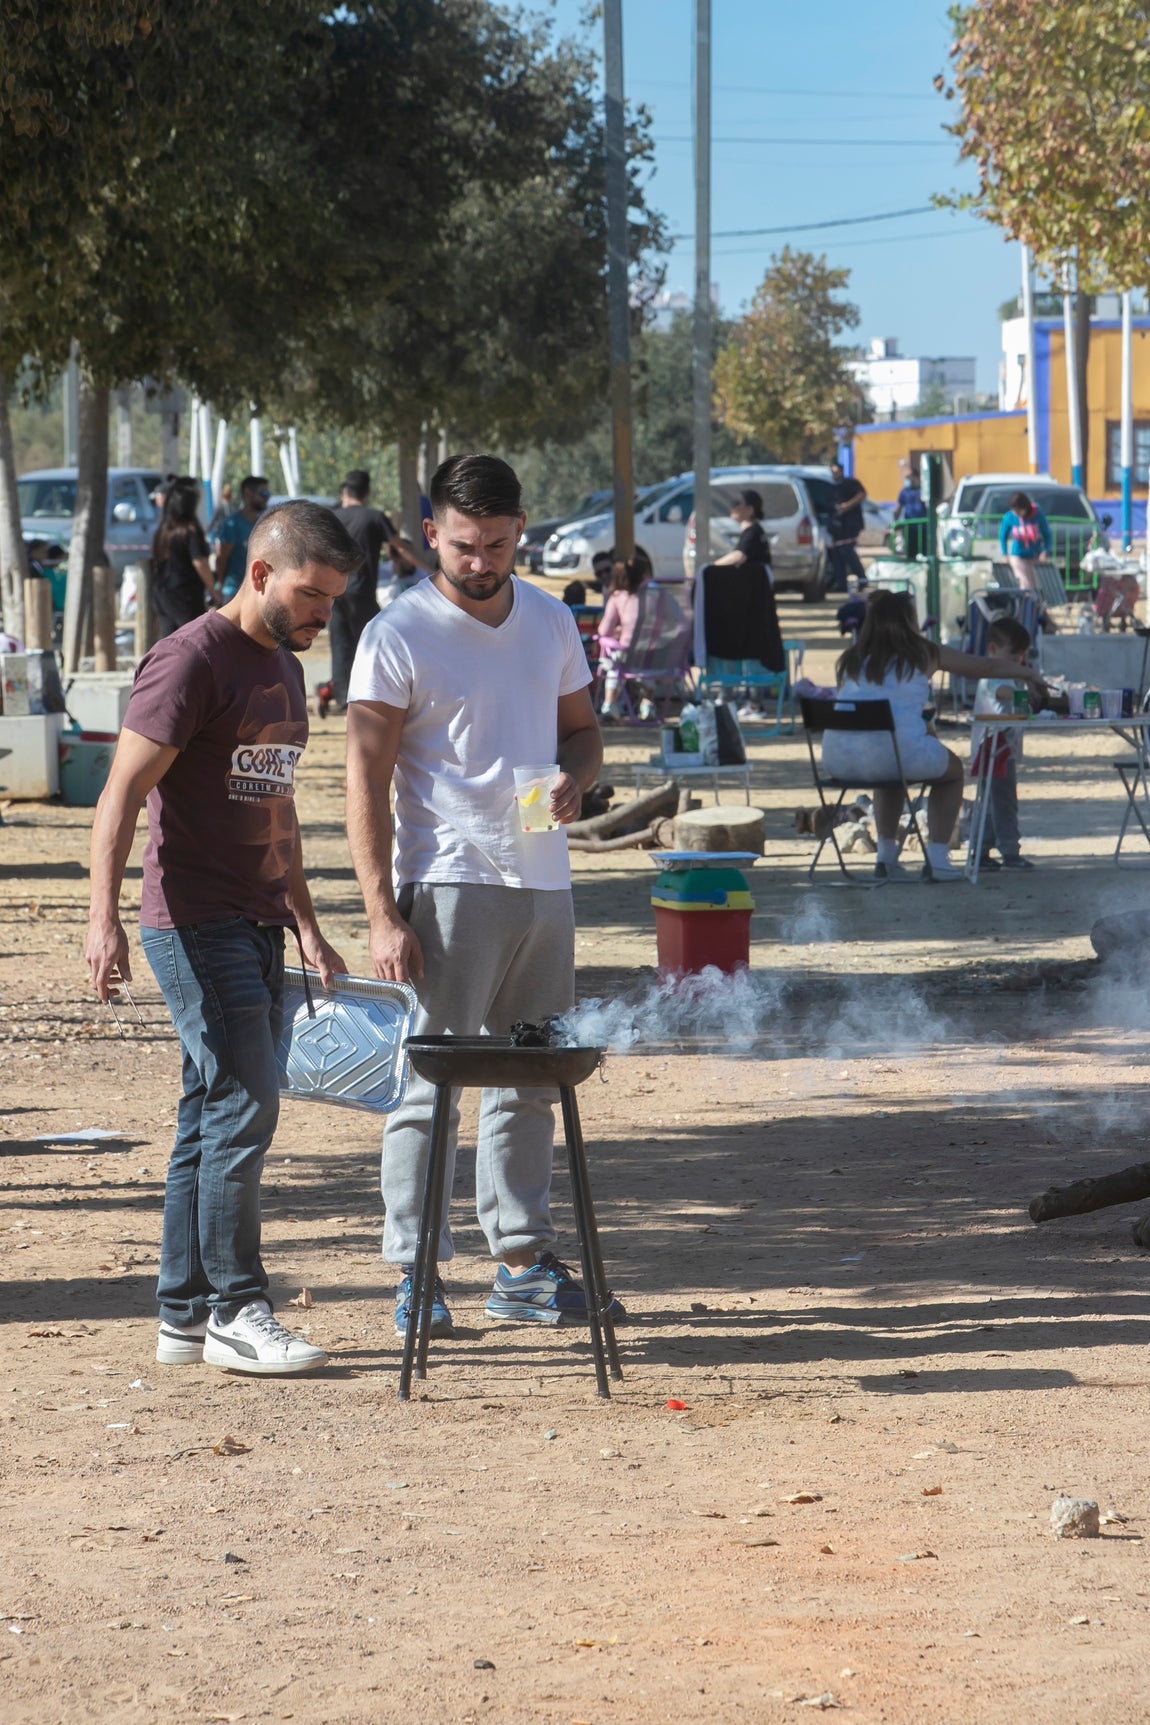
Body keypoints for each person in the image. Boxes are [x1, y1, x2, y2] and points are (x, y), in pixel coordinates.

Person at [85, 501, 362, 1374]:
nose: (323, 615)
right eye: (312, 596)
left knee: (209, 1114)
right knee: (247, 1102)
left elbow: (277, 811)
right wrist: (102, 923)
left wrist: (308, 925)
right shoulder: (189, 659)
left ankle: (183, 1315)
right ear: (258, 574)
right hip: (194, 920)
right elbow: (120, 795)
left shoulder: (282, 667)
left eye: (333, 601)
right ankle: (238, 1308)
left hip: (258, 920)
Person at [345, 452, 618, 1337]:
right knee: (430, 1083)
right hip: (449, 880)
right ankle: (415, 1273)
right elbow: (362, 778)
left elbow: (583, 735)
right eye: (463, 545)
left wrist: (578, 780)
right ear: (431, 534)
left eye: (497, 544)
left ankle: (523, 1265)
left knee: (530, 1081)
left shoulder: (548, 619)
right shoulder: (398, 632)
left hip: (544, 878)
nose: (480, 561)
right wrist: (383, 909)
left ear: (521, 533)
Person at [823, 589, 1046, 882]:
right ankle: (938, 860)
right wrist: (1029, 675)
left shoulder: (851, 659)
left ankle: (886, 858)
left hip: (838, 758)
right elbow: (986, 667)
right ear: (909, 621)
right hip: (894, 752)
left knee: (888, 772)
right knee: (952, 772)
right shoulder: (924, 653)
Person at [328, 470, 434, 715]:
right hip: (362, 590)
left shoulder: (333, 517)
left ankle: (342, 698)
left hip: (334, 593)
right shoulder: (374, 517)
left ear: (346, 491)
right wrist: (430, 571)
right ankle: (369, 694)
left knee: (340, 644)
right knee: (373, 642)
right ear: (367, 492)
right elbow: (400, 548)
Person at [971, 615, 1036, 871]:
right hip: (993, 747)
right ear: (993, 650)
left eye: (1020, 656)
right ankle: (1010, 851)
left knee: (990, 801)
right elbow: (1002, 693)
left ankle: (981, 851)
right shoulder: (992, 676)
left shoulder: (1008, 675)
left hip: (1000, 747)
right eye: (1012, 655)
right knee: (1004, 800)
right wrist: (1027, 687)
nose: (1016, 662)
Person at [151, 477, 214, 636]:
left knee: (169, 642)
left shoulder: (163, 530)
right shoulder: (190, 530)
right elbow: (200, 562)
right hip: (186, 595)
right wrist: (214, 590)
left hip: (162, 592)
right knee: (194, 640)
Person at [596, 548, 653, 719]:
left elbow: (603, 631)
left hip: (628, 656)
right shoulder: (658, 595)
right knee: (642, 664)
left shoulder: (618, 597)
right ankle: (647, 702)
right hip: (658, 656)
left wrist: (618, 632)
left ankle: (610, 703)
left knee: (613, 659)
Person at [213, 475, 270, 602]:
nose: (267, 498)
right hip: (234, 593)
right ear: (248, 494)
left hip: (258, 592)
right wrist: (219, 585)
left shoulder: (263, 524)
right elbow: (222, 558)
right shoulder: (232, 525)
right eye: (264, 494)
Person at [827, 461, 869, 593]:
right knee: (838, 555)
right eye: (832, 472)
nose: (834, 474)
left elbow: (862, 494)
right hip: (838, 527)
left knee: (848, 552)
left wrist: (847, 506)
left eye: (836, 471)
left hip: (851, 525)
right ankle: (841, 584)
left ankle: (862, 579)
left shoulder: (851, 483)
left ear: (841, 471)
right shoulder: (832, 487)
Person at [999, 490, 1052, 591]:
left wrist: (1045, 551)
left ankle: (1036, 606)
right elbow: (1003, 536)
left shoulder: (1037, 515)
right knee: (1024, 584)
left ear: (1025, 507)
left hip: (1035, 555)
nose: (1017, 513)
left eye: (1018, 510)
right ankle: (1026, 605)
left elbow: (1047, 535)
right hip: (1018, 555)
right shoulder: (1009, 517)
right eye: (1014, 511)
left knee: (1035, 584)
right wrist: (1005, 554)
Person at [894, 468, 928, 558]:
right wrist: (895, 522)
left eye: (908, 477)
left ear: (915, 477)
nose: (906, 480)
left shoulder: (924, 490)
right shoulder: (904, 491)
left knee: (925, 552)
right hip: (909, 527)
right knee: (911, 553)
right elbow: (898, 507)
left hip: (924, 527)